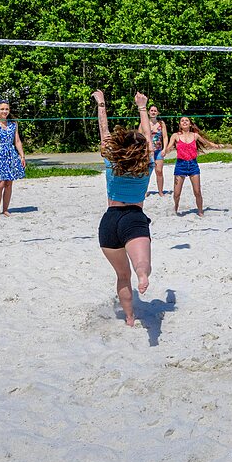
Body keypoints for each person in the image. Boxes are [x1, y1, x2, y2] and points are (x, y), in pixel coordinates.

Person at [93, 89, 154, 327]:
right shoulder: (146, 165)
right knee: (141, 265)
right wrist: (142, 107)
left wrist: (102, 104)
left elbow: (104, 132)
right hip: (133, 218)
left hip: (109, 222)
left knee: (121, 276)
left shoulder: (112, 163)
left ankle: (129, 318)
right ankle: (143, 275)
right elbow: (148, 136)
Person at [161, 116, 218, 216]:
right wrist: (164, 151)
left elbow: (206, 143)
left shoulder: (195, 135)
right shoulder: (175, 136)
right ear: (179, 125)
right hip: (180, 165)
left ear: (190, 124)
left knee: (197, 191)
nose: (184, 122)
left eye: (186, 120)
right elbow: (169, 147)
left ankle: (200, 211)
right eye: (182, 121)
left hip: (193, 165)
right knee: (177, 193)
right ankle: (176, 206)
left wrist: (216, 145)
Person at [0, 101, 26, 216]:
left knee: (9, 184)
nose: (4, 111)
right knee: (0, 183)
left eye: (6, 109)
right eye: (2, 109)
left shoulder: (13, 124)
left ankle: (5, 209)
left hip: (11, 154)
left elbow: (17, 141)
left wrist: (22, 156)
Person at [143, 104, 169, 197]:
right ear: (148, 112)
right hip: (148, 151)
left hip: (158, 150)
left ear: (157, 112)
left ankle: (160, 192)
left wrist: (165, 149)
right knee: (146, 172)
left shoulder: (161, 124)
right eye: (151, 110)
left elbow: (165, 137)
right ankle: (144, 191)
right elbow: (139, 136)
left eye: (155, 111)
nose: (153, 112)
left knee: (159, 171)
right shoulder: (144, 123)